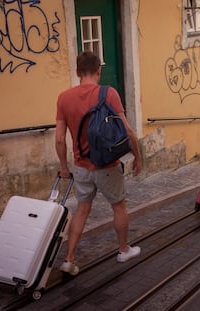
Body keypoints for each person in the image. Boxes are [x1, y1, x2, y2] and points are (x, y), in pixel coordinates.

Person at [55, 51, 142, 275]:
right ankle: (123, 250)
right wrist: (137, 158)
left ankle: (69, 259)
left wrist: (64, 167)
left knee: (82, 210)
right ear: (99, 71)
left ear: (77, 72)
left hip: (81, 166)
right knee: (118, 206)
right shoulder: (108, 93)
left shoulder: (64, 97)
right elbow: (128, 130)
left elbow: (59, 139)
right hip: (107, 165)